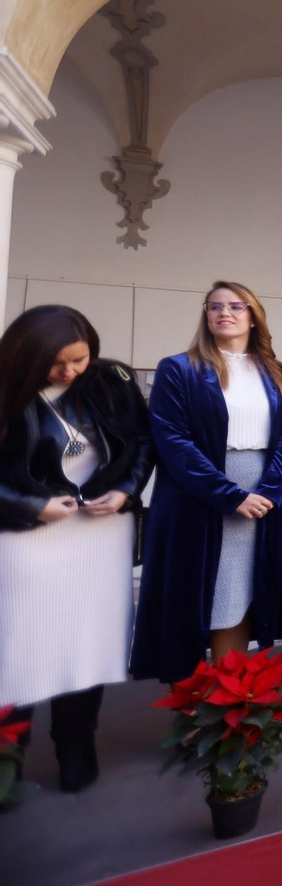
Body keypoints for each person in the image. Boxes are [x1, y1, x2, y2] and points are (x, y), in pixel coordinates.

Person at [0, 306, 154, 794]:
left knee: (88, 642)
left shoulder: (112, 380)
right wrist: (31, 504)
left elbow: (142, 442)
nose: (69, 372)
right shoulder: (6, 388)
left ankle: (76, 747)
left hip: (99, 534)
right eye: (56, 364)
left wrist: (126, 490)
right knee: (17, 645)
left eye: (79, 359)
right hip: (27, 536)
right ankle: (8, 756)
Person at [133, 282, 282, 686]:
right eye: (215, 306)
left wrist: (270, 491)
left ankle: (229, 706)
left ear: (253, 315)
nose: (224, 312)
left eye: (236, 306)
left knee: (237, 597)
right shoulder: (180, 368)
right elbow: (172, 440)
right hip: (196, 498)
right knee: (191, 600)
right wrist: (230, 496)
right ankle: (191, 712)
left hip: (259, 497)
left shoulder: (275, 372)